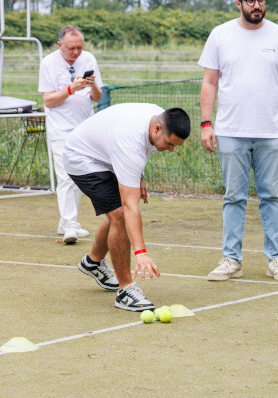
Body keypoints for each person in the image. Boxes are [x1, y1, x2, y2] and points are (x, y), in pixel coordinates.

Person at [199, 0, 278, 282]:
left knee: (271, 196)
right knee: (234, 197)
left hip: (272, 132)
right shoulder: (220, 35)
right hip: (230, 131)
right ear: (238, 4)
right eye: (250, 1)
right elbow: (209, 82)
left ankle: (275, 259)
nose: (257, 5)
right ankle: (232, 259)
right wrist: (206, 124)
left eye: (261, 0)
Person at [65, 104, 190, 311]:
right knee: (121, 214)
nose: (170, 150)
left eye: (175, 146)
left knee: (119, 213)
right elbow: (130, 206)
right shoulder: (130, 142)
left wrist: (137, 177)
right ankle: (125, 289)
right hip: (82, 158)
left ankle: (93, 262)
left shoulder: (160, 118)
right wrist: (140, 252)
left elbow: (141, 151)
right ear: (157, 129)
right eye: (169, 144)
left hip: (107, 153)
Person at [38, 25, 103, 244]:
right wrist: (71, 89)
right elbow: (48, 100)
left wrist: (91, 85)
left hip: (85, 128)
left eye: (79, 47)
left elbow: (97, 96)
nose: (76, 52)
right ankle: (70, 224)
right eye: (71, 48)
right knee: (65, 176)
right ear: (60, 45)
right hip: (60, 128)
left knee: (79, 175)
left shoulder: (89, 59)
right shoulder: (48, 63)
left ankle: (65, 222)